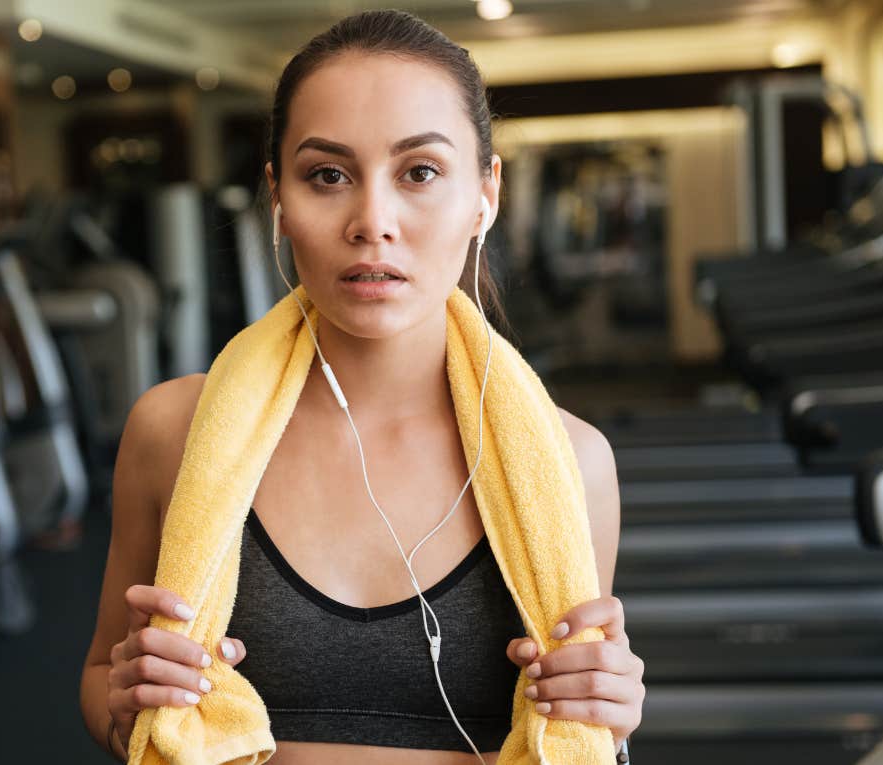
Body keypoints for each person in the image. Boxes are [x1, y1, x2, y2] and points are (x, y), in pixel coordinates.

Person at [80, 9, 645, 764]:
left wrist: (606, 703)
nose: (372, 221)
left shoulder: (574, 462)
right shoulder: (172, 430)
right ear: (278, 197)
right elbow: (100, 676)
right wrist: (125, 704)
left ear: (486, 193)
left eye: (419, 172)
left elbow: (579, 723)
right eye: (328, 175)